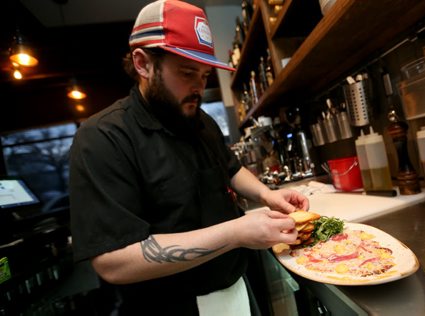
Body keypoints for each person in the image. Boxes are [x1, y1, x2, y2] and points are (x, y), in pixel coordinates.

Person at [69, 1, 309, 315]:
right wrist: (237, 232)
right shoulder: (103, 138)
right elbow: (114, 263)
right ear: (143, 64)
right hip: (172, 305)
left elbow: (229, 167)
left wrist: (267, 194)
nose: (199, 87)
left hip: (237, 284)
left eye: (205, 74)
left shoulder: (199, 119)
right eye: (186, 73)